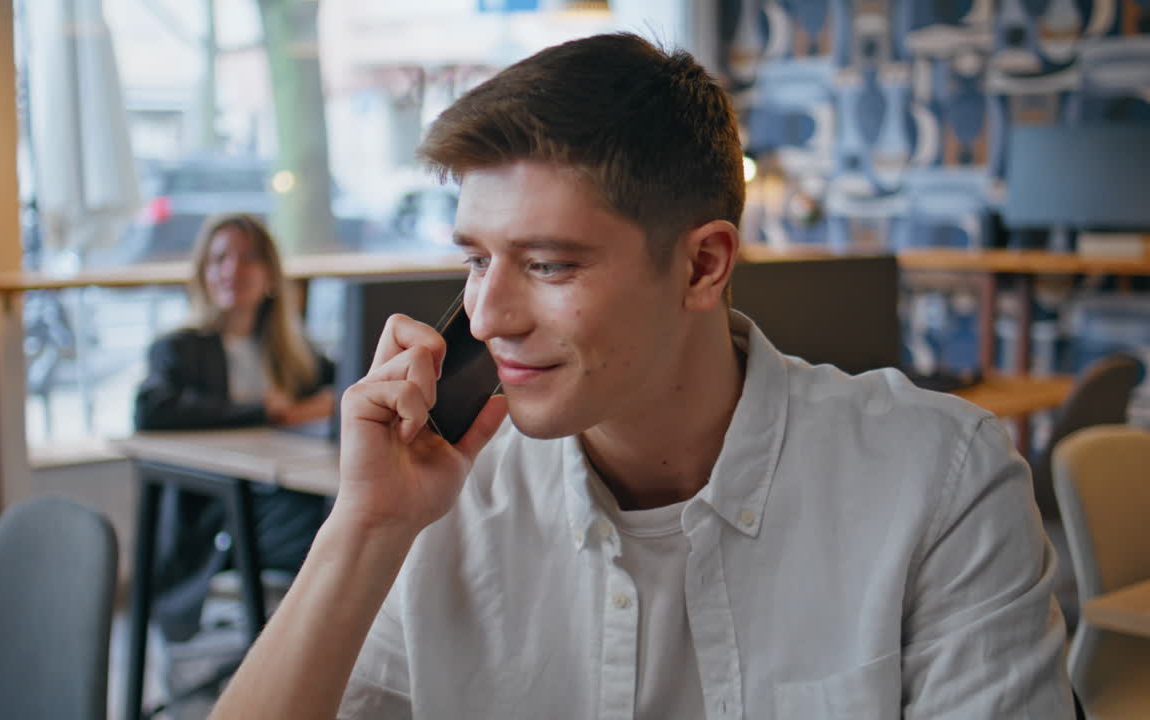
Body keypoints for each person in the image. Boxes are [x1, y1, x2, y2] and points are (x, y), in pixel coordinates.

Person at [211, 34, 1074, 719]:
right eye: (476, 259)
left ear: (703, 266)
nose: (486, 316)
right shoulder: (444, 499)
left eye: (548, 265)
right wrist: (365, 528)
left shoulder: (937, 479)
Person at [135, 212, 336, 641]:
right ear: (203, 273)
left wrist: (320, 403)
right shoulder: (179, 348)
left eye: (248, 259)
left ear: (269, 276)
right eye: (219, 259)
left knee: (350, 514)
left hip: (279, 499)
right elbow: (151, 410)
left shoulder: (292, 352)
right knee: (337, 530)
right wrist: (261, 410)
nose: (232, 271)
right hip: (220, 519)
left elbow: (344, 381)